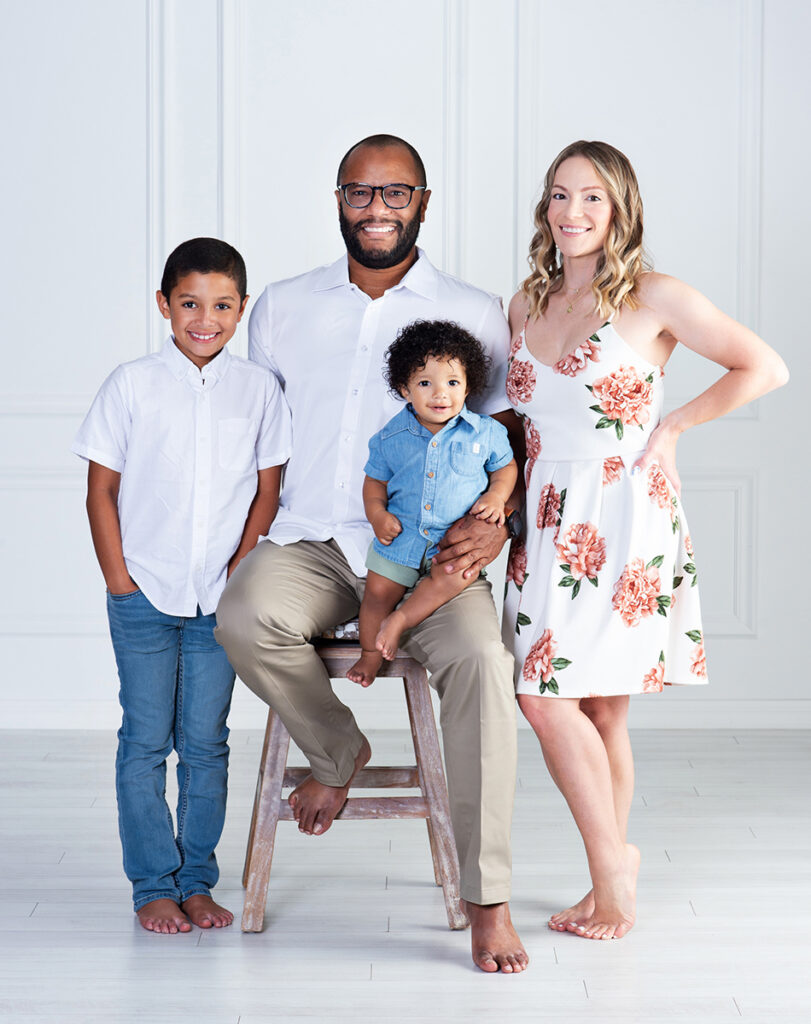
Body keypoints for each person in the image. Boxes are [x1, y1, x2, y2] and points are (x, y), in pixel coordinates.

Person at [215, 134, 529, 973]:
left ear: (423, 201)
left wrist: (497, 513)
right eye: (360, 192)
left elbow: (502, 434)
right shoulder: (281, 305)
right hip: (315, 539)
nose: (377, 209)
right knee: (244, 617)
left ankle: (486, 895)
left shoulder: (475, 310)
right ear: (337, 200)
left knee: (482, 666)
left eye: (396, 194)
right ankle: (337, 751)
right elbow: (265, 438)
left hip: (432, 558)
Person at [502, 140, 789, 941]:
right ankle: (609, 872)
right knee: (587, 708)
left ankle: (611, 881)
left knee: (553, 695)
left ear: (620, 207)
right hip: (547, 512)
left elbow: (762, 366)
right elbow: (517, 419)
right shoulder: (523, 302)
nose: (572, 213)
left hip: (624, 511)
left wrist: (673, 426)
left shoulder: (654, 295)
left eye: (591, 198)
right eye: (559, 196)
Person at [72, 238, 292, 934]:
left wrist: (241, 567)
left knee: (205, 742)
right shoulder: (131, 384)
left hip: (214, 602)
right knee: (145, 740)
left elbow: (268, 489)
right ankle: (152, 886)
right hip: (143, 591)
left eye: (222, 305)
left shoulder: (258, 388)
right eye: (190, 303)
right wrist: (119, 579)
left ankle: (197, 880)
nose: (206, 318)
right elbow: (100, 491)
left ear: (241, 309)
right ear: (164, 305)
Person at [347, 320, 517, 686]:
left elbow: (506, 468)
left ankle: (402, 619)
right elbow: (374, 481)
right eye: (426, 383)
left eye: (453, 383)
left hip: (453, 543)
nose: (441, 394)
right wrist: (377, 514)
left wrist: (496, 496)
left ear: (468, 385)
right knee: (377, 594)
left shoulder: (486, 433)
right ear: (404, 388)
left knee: (452, 578)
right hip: (402, 538)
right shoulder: (390, 437)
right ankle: (370, 654)